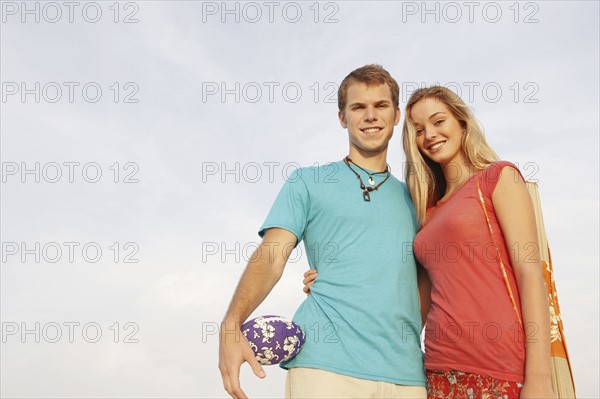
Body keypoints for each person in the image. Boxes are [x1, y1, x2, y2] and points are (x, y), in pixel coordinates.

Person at [304, 86, 556, 398]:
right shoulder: (426, 211)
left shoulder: (499, 178)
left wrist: (540, 376)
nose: (430, 135)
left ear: (462, 122)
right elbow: (407, 289)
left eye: (438, 121)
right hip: (435, 367)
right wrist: (334, 279)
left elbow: (530, 275)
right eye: (419, 130)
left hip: (499, 367)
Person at [218, 65, 428, 399]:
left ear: (397, 114)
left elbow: (425, 281)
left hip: (408, 376)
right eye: (358, 107)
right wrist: (231, 325)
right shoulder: (308, 182)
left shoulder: (418, 199)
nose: (370, 116)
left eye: (381, 106)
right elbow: (272, 256)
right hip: (325, 369)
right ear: (342, 117)